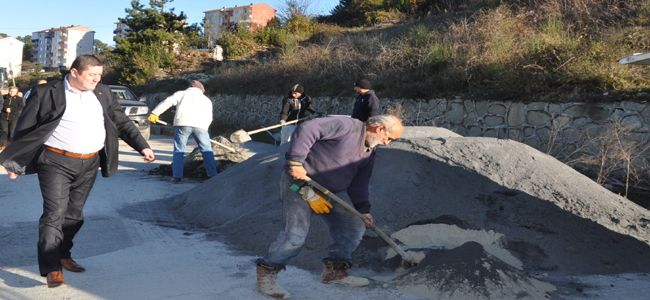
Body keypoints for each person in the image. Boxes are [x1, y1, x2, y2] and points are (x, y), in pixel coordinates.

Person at [0, 55, 155, 288]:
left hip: (90, 162)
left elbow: (121, 121)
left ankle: (63, 253)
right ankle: (52, 267)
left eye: (99, 75)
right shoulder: (47, 92)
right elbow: (25, 127)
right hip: (54, 161)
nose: (97, 79)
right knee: (55, 213)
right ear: (74, 72)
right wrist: (14, 162)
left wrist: (142, 145)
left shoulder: (102, 93)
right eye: (92, 75)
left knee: (74, 214)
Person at [256, 114, 404, 299]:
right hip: (298, 183)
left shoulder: (368, 152)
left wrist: (363, 209)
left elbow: (360, 181)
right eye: (388, 138)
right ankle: (267, 272)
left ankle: (334, 272)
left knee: (354, 226)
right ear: (380, 129)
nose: (388, 143)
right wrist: (295, 161)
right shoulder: (346, 125)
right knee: (295, 236)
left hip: (330, 191)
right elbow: (308, 128)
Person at [147, 80, 217, 182]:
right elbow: (210, 117)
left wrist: (155, 113)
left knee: (179, 151)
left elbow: (167, 102)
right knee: (207, 150)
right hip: (201, 126)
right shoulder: (206, 100)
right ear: (201, 90)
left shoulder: (182, 94)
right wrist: (204, 128)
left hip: (182, 124)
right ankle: (213, 175)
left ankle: (177, 177)